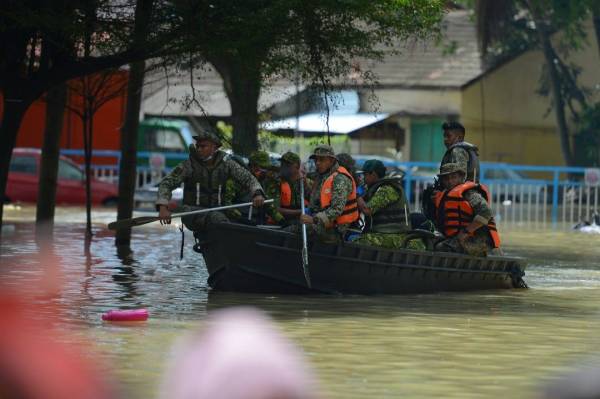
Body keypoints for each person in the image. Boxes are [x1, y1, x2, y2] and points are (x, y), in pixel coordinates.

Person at [156, 129, 265, 233]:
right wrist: (163, 207)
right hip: (192, 212)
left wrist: (257, 193)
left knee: (238, 221)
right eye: (197, 146)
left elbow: (247, 178)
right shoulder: (188, 165)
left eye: (203, 146)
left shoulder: (226, 163)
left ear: (214, 147)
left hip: (218, 210)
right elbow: (166, 183)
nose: (199, 149)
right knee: (218, 219)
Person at [432, 163, 501, 257]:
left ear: (461, 177)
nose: (450, 181)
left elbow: (485, 212)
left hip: (481, 241)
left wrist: (465, 232)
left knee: (441, 248)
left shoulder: (470, 193)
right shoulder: (444, 195)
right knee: (431, 243)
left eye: (453, 177)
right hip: (463, 239)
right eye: (446, 178)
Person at [355, 159, 425, 250]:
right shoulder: (375, 188)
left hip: (395, 235)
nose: (363, 178)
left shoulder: (387, 189)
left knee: (358, 242)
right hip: (385, 233)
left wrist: (355, 194)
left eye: (365, 175)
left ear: (373, 174)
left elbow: (367, 210)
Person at [296, 145, 359, 243]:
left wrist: (314, 220)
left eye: (321, 160)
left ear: (331, 161)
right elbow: (315, 201)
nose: (317, 163)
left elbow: (336, 209)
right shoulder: (322, 177)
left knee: (296, 231)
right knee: (292, 226)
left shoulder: (340, 178)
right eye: (316, 160)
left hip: (335, 230)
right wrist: (303, 183)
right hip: (322, 224)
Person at [248, 150, 286, 226]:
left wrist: (281, 220)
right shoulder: (239, 180)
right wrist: (240, 218)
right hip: (237, 222)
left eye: (265, 168)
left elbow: (267, 205)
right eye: (260, 168)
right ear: (252, 166)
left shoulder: (262, 181)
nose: (263, 171)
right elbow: (227, 205)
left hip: (257, 222)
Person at [276, 151, 311, 224]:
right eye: (282, 164)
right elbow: (275, 209)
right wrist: (300, 212)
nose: (284, 167)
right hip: (282, 223)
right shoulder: (277, 182)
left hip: (304, 222)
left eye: (288, 164)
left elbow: (316, 205)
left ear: (297, 166)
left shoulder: (307, 183)